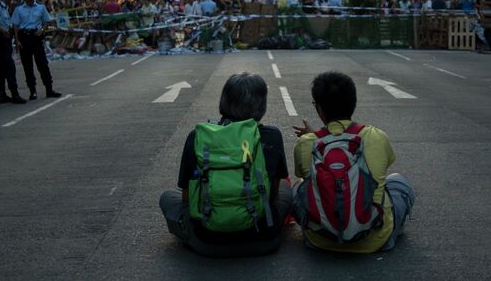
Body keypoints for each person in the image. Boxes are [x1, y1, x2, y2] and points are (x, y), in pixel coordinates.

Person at [159, 73, 292, 257]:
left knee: (167, 197)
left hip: (207, 242)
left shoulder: (198, 137)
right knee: (286, 186)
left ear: (224, 100)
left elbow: (187, 197)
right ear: (262, 105)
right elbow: (273, 192)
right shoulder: (271, 135)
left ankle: (191, 233)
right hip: (262, 240)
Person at [292, 72, 415, 253]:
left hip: (320, 240)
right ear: (353, 103)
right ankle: (387, 227)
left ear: (319, 108)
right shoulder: (377, 136)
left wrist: (312, 137)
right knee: (397, 181)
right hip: (375, 241)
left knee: (299, 185)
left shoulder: (306, 143)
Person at [11, 0, 60, 100]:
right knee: (27, 66)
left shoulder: (40, 7)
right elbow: (15, 26)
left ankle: (49, 89)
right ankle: (32, 91)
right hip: (24, 38)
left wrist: (42, 30)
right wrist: (17, 41)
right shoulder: (19, 9)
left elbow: (47, 22)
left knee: (43, 64)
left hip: (36, 37)